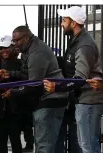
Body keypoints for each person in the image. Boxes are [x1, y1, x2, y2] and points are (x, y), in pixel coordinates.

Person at [43, 6, 103, 153]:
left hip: (88, 101)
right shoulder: (77, 41)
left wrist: (57, 87)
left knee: (88, 145)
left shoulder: (84, 45)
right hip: (81, 100)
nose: (61, 24)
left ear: (73, 23)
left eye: (64, 20)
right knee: (85, 144)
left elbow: (79, 79)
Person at [2, 25, 68, 153]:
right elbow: (28, 74)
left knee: (43, 146)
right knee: (53, 144)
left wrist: (13, 92)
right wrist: (10, 74)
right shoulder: (30, 49)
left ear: (26, 37)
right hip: (51, 99)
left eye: (17, 40)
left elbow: (34, 84)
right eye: (13, 41)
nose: (14, 44)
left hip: (50, 100)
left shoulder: (36, 52)